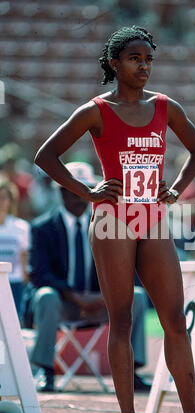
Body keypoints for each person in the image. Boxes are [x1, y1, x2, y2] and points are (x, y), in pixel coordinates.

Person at [34, 25, 195, 413]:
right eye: (134, 59)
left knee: (174, 321)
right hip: (112, 221)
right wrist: (87, 191)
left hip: (153, 219)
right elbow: (45, 155)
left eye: (148, 60)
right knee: (121, 320)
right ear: (114, 63)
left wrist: (176, 188)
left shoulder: (165, 106)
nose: (143, 66)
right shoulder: (95, 110)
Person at [25, 161, 150, 392]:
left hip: (101, 303)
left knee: (139, 296)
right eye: (72, 189)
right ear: (61, 191)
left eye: (87, 188)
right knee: (45, 296)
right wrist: (75, 297)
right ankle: (46, 370)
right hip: (62, 303)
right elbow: (39, 274)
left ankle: (132, 372)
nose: (80, 196)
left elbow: (125, 267)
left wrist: (103, 297)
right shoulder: (42, 228)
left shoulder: (110, 225)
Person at [0, 178, 29, 321]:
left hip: (14, 283)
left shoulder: (21, 227)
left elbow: (25, 256)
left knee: (15, 322)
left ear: (10, 200)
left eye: (3, 197)